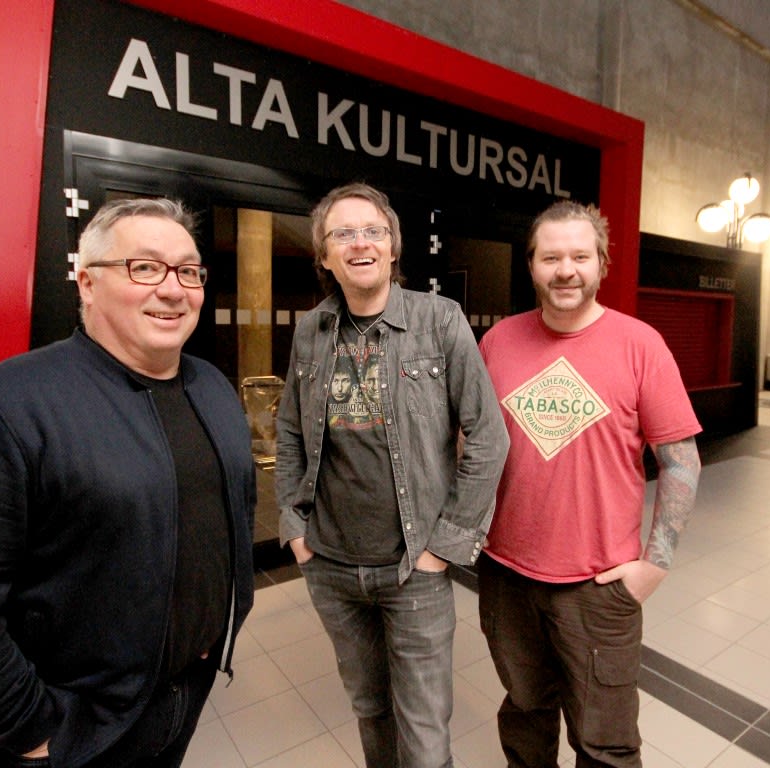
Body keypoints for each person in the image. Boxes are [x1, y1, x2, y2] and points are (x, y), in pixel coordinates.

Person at [0, 198, 257, 768]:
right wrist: (33, 730)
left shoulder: (213, 389)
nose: (173, 289)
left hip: (180, 698)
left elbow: (224, 524)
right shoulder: (1, 409)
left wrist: (213, 625)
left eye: (188, 271)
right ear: (87, 283)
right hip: (67, 736)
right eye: (144, 267)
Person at [276, 182, 509, 768]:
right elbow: (290, 432)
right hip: (331, 566)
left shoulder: (439, 321)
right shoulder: (311, 330)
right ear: (325, 255)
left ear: (393, 246)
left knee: (425, 739)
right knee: (371, 710)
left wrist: (445, 546)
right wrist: (296, 529)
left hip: (413, 569)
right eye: (343, 234)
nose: (360, 243)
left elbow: (489, 436)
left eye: (372, 231)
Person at [477, 200, 702, 768]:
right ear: (532, 265)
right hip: (506, 577)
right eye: (551, 257)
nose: (565, 270)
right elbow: (468, 444)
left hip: (598, 586)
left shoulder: (640, 344)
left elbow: (681, 461)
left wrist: (655, 564)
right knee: (525, 715)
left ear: (602, 264)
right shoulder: (498, 341)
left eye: (580, 256)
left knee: (606, 744)